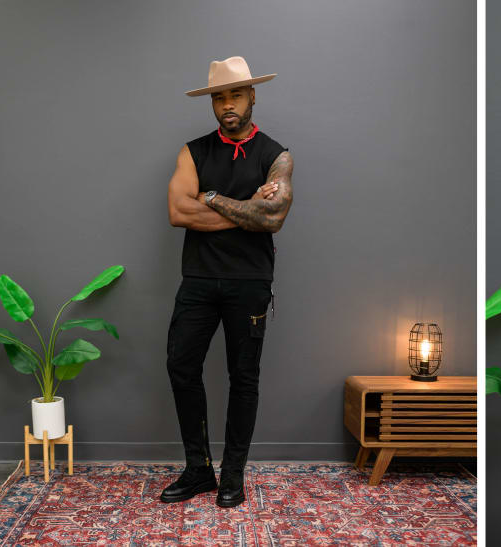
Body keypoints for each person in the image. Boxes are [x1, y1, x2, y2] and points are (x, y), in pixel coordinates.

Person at [160, 56, 293, 508]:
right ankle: (199, 470)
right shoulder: (192, 151)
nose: (227, 104)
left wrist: (211, 198)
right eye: (219, 97)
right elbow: (179, 212)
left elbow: (272, 217)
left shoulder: (276, 156)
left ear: (252, 96)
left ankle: (233, 472)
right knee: (181, 366)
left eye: (235, 94)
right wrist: (244, 210)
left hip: (249, 282)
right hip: (198, 278)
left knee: (244, 377)